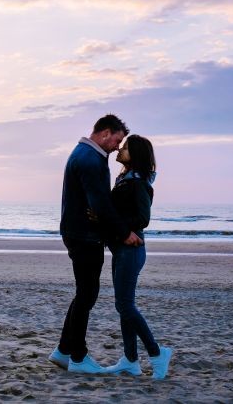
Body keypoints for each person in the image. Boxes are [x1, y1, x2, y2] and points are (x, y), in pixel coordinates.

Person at [49, 114, 140, 374]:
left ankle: (63, 352)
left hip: (78, 232)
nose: (118, 147)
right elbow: (100, 203)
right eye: (117, 140)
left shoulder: (83, 154)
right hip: (84, 235)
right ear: (105, 133)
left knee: (84, 294)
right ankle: (78, 357)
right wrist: (124, 233)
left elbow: (97, 202)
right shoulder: (91, 159)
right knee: (86, 295)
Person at [103, 134, 173, 379]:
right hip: (121, 249)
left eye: (125, 147)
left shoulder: (138, 182)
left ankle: (156, 353)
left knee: (125, 305)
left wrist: (118, 226)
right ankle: (130, 360)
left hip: (131, 249)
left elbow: (143, 219)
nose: (120, 149)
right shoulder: (125, 178)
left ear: (136, 154)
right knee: (123, 306)